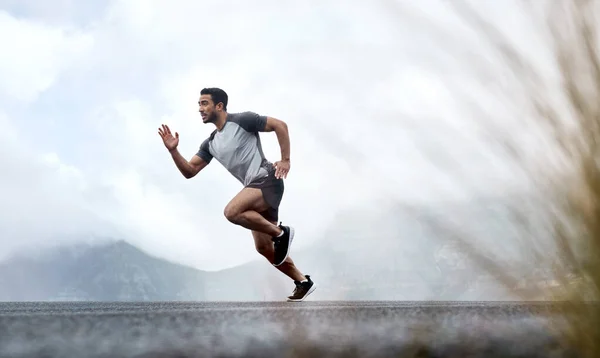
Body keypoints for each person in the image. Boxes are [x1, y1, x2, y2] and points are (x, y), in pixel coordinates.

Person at [157, 87, 316, 302]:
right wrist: (173, 151)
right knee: (263, 248)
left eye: (204, 103)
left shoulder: (243, 120)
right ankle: (302, 281)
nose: (200, 109)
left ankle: (281, 233)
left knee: (232, 211)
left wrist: (285, 160)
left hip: (268, 178)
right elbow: (189, 171)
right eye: (199, 104)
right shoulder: (210, 143)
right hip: (255, 188)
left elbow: (280, 125)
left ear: (219, 106)